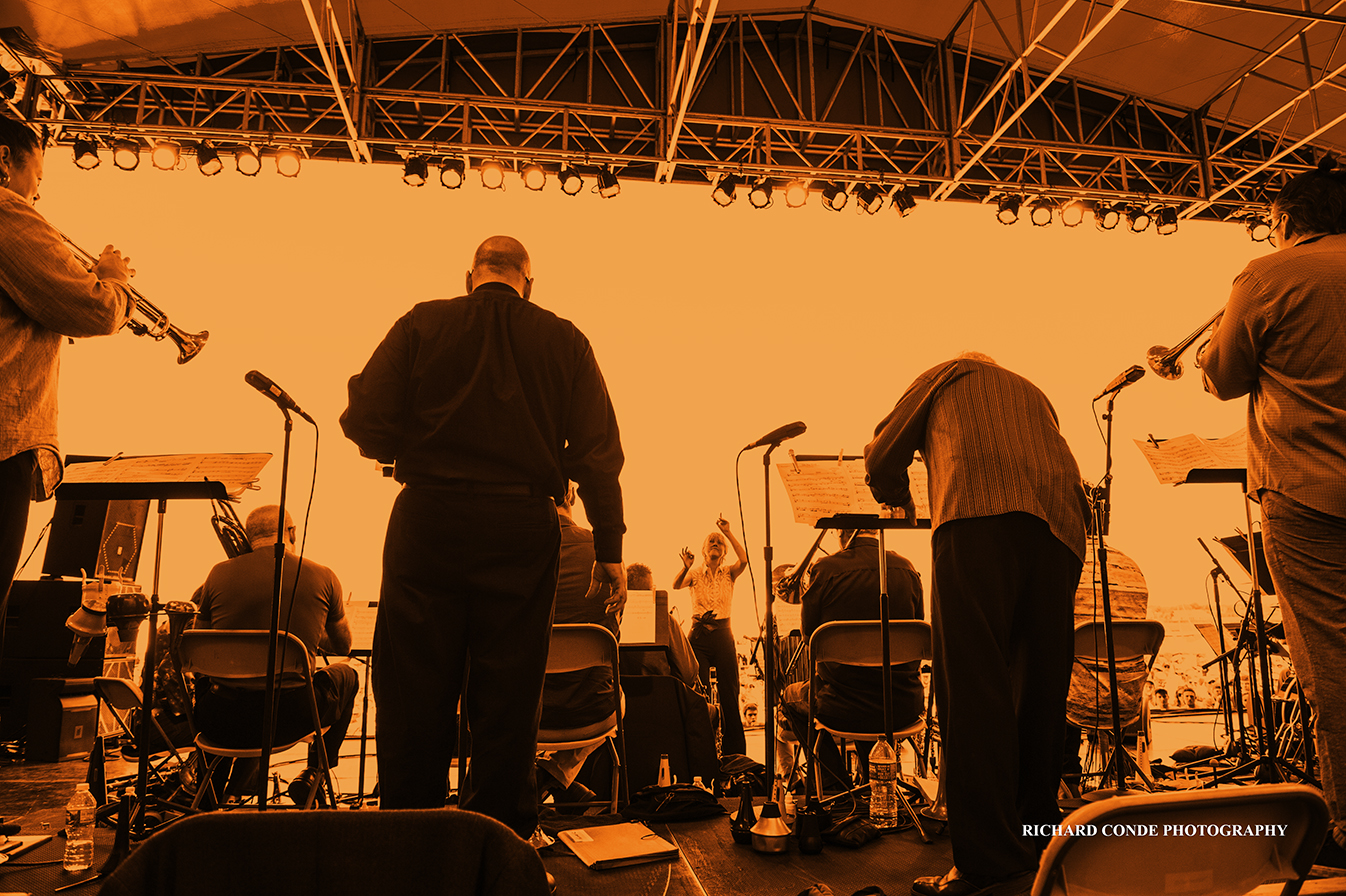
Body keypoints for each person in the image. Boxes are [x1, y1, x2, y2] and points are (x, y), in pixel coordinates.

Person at [340, 235, 625, 840]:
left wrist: (408, 448)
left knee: (414, 691)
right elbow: (599, 453)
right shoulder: (564, 338)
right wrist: (609, 547)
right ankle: (501, 850)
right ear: (529, 281)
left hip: (428, 520)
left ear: (470, 275)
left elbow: (364, 419)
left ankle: (408, 849)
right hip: (520, 525)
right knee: (509, 697)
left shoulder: (422, 322)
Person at [865, 353, 1088, 896]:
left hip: (977, 512)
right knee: (1038, 693)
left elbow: (882, 456)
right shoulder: (1034, 390)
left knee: (974, 689)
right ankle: (1037, 845)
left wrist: (900, 497)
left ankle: (987, 863)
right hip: (1060, 527)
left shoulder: (949, 371)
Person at [1199, 157, 1346, 864]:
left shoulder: (1268, 275)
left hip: (1311, 493)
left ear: (1288, 219)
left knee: (1331, 661)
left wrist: (1199, 356)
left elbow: (1226, 379)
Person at [0, 115, 134, 606]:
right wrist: (113, 279)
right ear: (3, 159)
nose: (37, 194)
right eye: (37, 179)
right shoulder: (5, 211)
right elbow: (91, 308)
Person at [191, 505, 358, 805]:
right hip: (289, 718)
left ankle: (211, 790)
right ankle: (313, 774)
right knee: (348, 674)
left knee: (228, 684)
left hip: (222, 719)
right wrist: (305, 631)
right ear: (292, 533)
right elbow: (343, 646)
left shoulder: (216, 574)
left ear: (248, 536)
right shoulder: (323, 575)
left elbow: (199, 641)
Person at [776, 529, 924, 792]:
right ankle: (876, 780)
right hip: (903, 706)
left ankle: (836, 785)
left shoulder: (825, 569)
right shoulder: (907, 568)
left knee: (789, 696)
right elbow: (918, 636)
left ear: (842, 532)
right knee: (870, 687)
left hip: (844, 708)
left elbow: (811, 639)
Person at [537, 484, 618, 804]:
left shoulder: (515, 551)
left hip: (529, 708)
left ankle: (538, 776)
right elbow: (612, 641)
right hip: (591, 712)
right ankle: (553, 774)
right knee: (620, 697)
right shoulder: (601, 550)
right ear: (571, 496)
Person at [673, 516, 748, 757]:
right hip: (699, 636)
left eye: (719, 542)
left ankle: (735, 753)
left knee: (730, 693)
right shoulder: (695, 574)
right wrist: (685, 565)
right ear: (704, 551)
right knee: (699, 692)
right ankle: (701, 750)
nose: (715, 543)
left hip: (724, 634)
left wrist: (727, 532)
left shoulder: (729, 573)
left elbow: (744, 559)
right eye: (711, 542)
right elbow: (675, 585)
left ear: (724, 551)